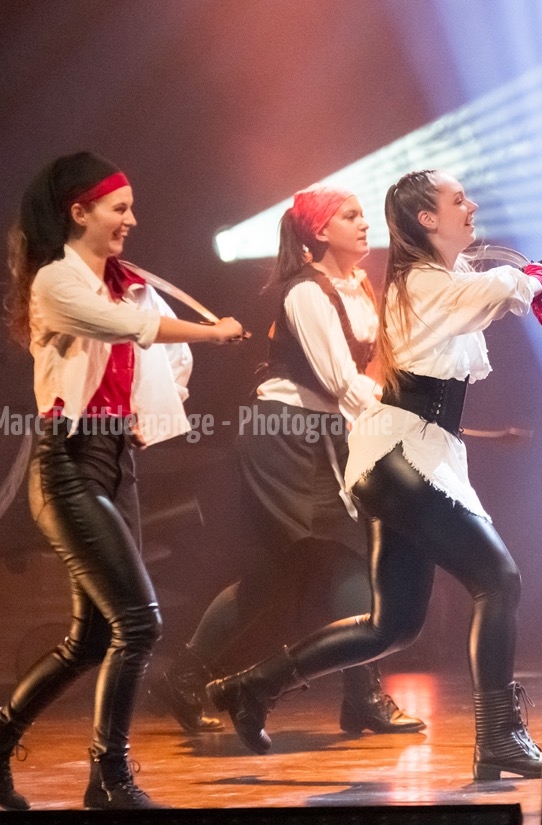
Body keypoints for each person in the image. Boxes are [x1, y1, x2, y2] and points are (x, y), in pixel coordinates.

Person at [207, 169, 542, 781]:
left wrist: (524, 280)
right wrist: (532, 277)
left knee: (390, 625)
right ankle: (499, 735)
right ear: (427, 219)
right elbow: (497, 291)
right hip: (402, 455)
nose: (471, 206)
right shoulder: (420, 282)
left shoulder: (435, 282)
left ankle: (252, 687)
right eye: (458, 200)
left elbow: (484, 298)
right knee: (497, 580)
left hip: (403, 454)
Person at [0, 152, 242, 811]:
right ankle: (109, 777)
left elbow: (169, 355)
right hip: (68, 466)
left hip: (115, 462)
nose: (131, 220)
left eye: (131, 208)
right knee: (138, 623)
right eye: (119, 208)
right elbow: (130, 330)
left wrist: (149, 409)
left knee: (91, 637)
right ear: (78, 212)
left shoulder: (129, 282)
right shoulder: (56, 282)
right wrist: (214, 330)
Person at [151, 185, 424, 737]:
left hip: (322, 432)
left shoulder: (358, 288)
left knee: (279, 573)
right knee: (348, 551)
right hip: (284, 434)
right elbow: (340, 382)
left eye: (363, 215)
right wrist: (395, 419)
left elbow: (367, 375)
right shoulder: (306, 293)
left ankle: (184, 677)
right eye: (351, 216)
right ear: (320, 232)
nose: (365, 224)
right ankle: (362, 694)